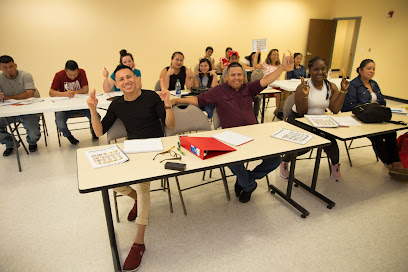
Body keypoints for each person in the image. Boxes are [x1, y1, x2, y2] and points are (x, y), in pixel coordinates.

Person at [172, 52, 294, 203]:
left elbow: (266, 80)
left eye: (239, 74)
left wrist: (282, 67)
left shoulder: (248, 88)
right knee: (232, 161)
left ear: (243, 76)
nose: (236, 77)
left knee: (275, 160)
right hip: (230, 137)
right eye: (233, 75)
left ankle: (246, 179)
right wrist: (176, 100)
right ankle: (248, 185)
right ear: (226, 77)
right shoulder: (219, 91)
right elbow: (198, 99)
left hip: (253, 134)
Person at [87, 64, 175, 271]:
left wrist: (168, 104)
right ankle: (135, 199)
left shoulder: (151, 97)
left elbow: (170, 125)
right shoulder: (117, 104)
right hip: (133, 148)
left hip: (155, 148)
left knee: (143, 188)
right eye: (121, 79)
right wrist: (92, 109)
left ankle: (139, 243)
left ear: (135, 78)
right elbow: (99, 131)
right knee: (108, 180)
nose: (126, 81)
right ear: (116, 84)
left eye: (129, 77)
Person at [279, 56, 349, 182]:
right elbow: (302, 111)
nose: (320, 72)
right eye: (316, 69)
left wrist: (343, 92)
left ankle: (335, 166)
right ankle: (285, 161)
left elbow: (335, 109)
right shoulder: (303, 86)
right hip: (299, 119)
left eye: (323, 69)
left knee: (331, 141)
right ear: (309, 71)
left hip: (318, 120)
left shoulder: (331, 86)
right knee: (306, 143)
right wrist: (305, 95)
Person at [342, 59, 408, 180]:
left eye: (373, 69)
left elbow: (382, 101)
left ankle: (396, 162)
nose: (371, 71)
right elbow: (349, 106)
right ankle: (389, 165)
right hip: (362, 118)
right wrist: (371, 108)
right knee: (377, 135)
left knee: (391, 132)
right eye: (368, 68)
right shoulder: (353, 85)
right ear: (360, 70)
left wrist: (377, 108)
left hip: (376, 117)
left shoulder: (374, 84)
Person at [0, 55, 41, 156]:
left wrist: (7, 98)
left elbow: (30, 94)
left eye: (11, 66)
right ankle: (11, 143)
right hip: (8, 112)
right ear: (0, 68)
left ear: (15, 65)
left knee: (33, 132)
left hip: (29, 111)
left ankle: (32, 142)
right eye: (5, 68)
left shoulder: (25, 75)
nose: (9, 70)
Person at [50, 60, 97, 145]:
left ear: (78, 70)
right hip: (64, 107)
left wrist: (74, 93)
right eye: (70, 75)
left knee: (96, 116)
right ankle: (69, 136)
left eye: (75, 74)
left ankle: (94, 131)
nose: (72, 77)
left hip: (81, 105)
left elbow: (85, 89)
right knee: (60, 123)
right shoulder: (59, 75)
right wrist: (65, 94)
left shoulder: (82, 72)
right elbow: (51, 93)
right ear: (65, 70)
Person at [222, 50, 261, 120]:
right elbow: (227, 84)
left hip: (241, 91)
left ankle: (254, 118)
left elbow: (245, 83)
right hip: (229, 93)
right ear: (229, 59)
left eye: (236, 58)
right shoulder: (226, 70)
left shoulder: (242, 69)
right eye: (232, 58)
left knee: (257, 98)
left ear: (238, 58)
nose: (234, 60)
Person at [254, 49, 289, 120]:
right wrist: (257, 53)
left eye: (277, 54)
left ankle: (279, 110)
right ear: (269, 56)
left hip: (277, 85)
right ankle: (278, 111)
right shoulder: (265, 64)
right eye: (274, 54)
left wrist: (291, 58)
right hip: (268, 87)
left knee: (287, 91)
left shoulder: (279, 65)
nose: (276, 56)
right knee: (279, 94)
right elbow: (255, 65)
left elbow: (290, 68)